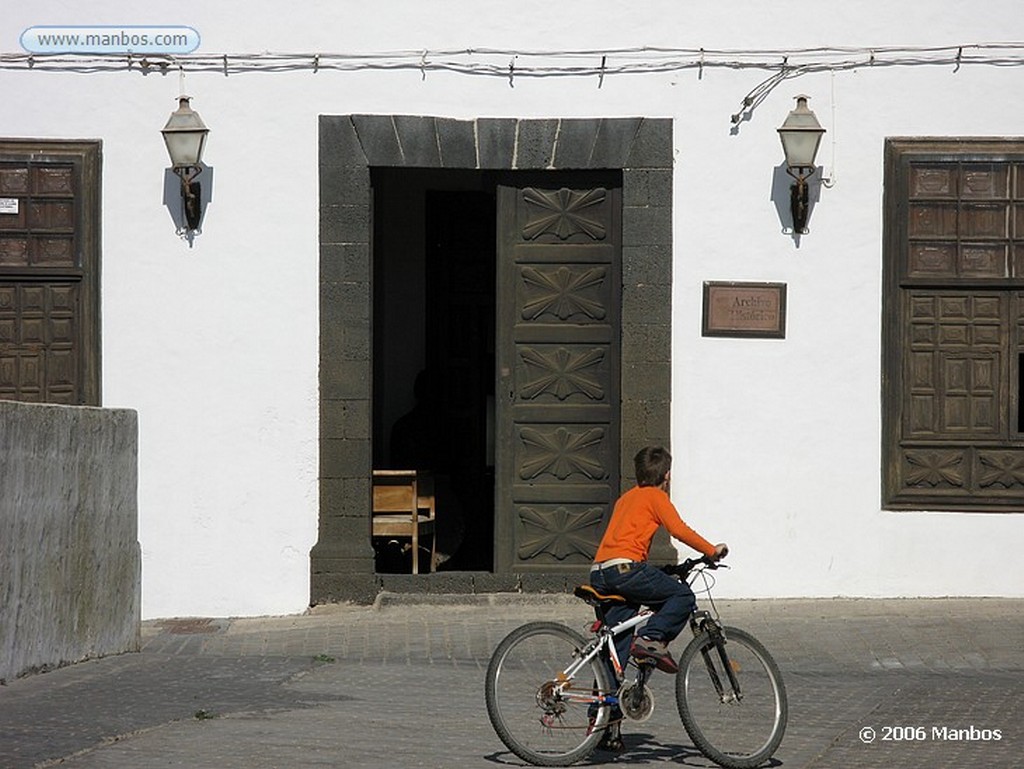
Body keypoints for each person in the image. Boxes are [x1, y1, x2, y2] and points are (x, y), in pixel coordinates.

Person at [591, 445, 728, 676]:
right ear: (667, 475)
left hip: (600, 572)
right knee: (682, 596)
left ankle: (605, 708)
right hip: (626, 569)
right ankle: (650, 639)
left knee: (619, 638)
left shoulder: (625, 499)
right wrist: (711, 550)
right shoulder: (656, 496)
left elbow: (623, 543)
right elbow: (678, 530)